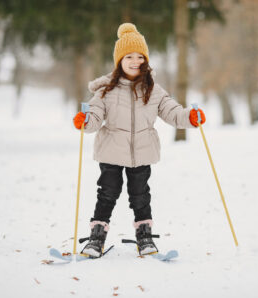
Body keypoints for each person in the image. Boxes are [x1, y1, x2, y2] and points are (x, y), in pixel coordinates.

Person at [73, 23, 206, 258]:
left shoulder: (153, 90)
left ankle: (144, 236)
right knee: (107, 192)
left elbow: (173, 112)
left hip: (143, 151)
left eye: (140, 57)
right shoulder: (105, 91)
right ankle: (96, 237)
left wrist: (190, 118)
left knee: (140, 194)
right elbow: (94, 118)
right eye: (129, 57)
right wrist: (85, 121)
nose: (135, 62)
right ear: (119, 61)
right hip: (111, 151)